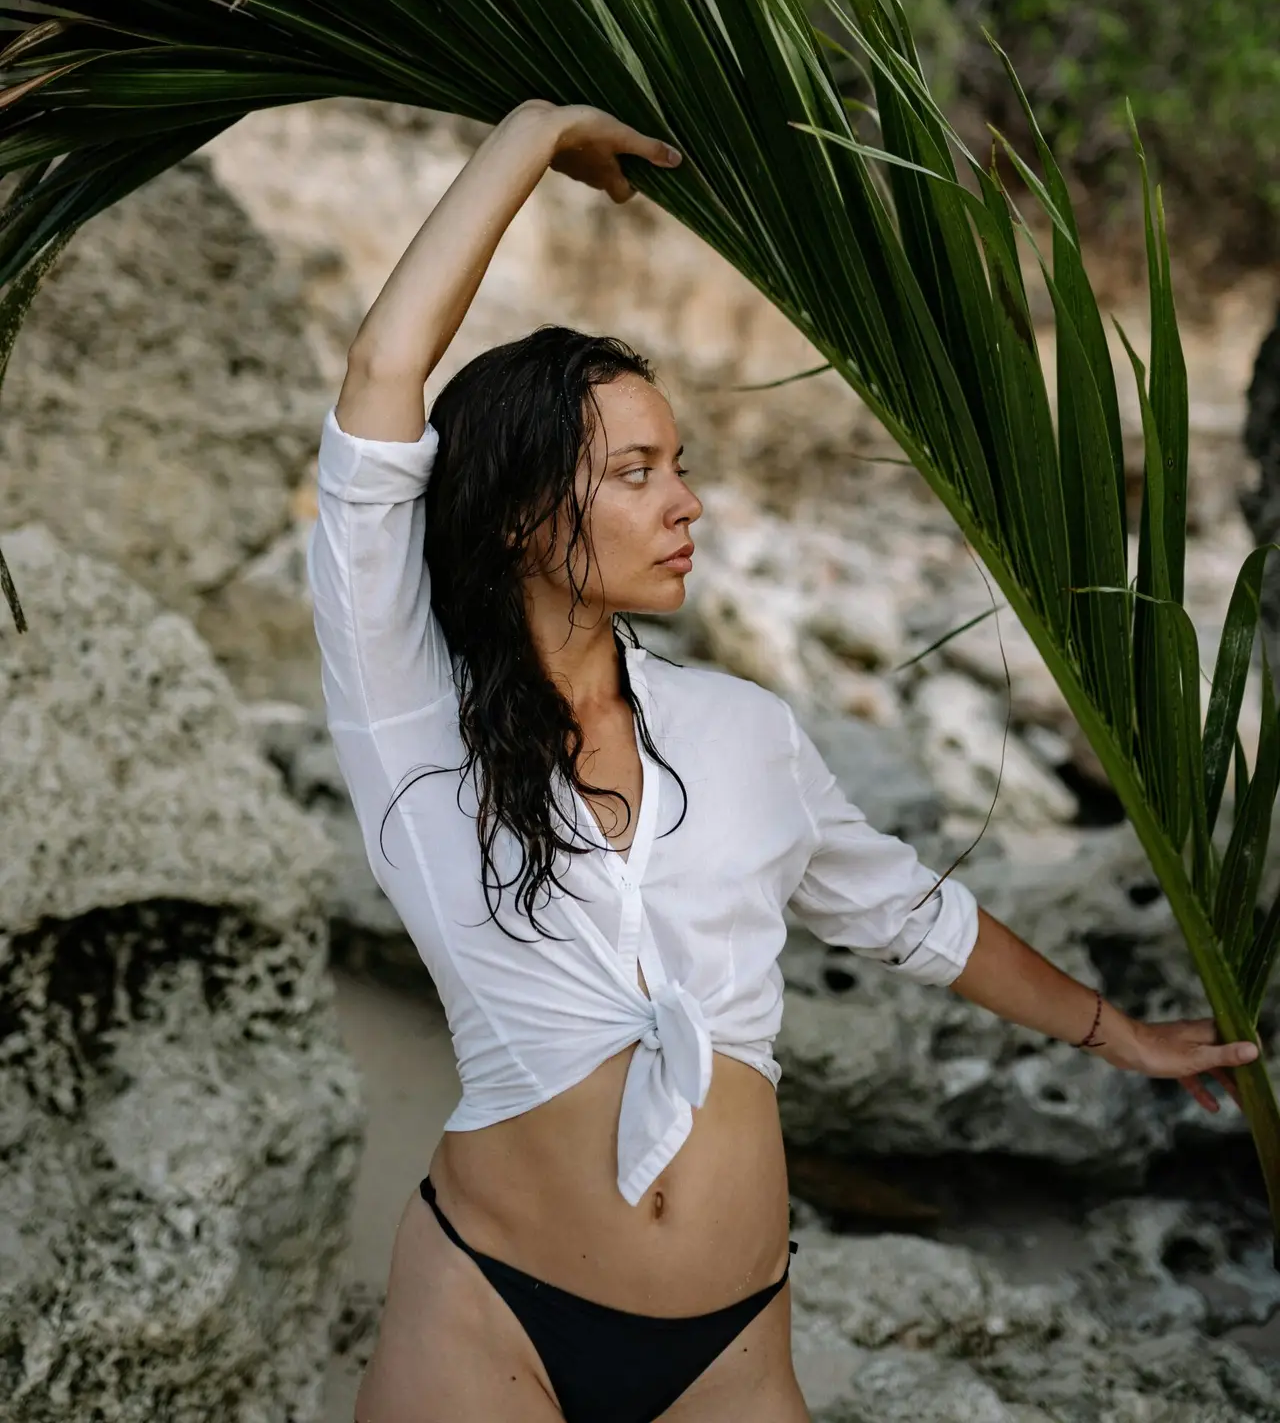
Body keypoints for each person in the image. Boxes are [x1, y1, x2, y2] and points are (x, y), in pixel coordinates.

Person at [306, 99, 1260, 1423]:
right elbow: (376, 388)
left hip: (731, 1343)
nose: (687, 501)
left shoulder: (745, 734)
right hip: (488, 1311)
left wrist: (1122, 1036)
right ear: (527, 511)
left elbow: (917, 918)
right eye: (638, 470)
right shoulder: (408, 718)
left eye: (680, 465)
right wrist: (529, 141)